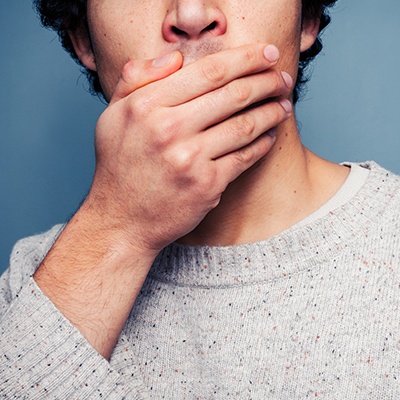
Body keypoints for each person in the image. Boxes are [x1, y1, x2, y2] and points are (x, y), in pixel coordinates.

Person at [1, 0, 399, 398]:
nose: (191, 16)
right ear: (83, 38)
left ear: (306, 18)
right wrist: (117, 227)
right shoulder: (31, 293)